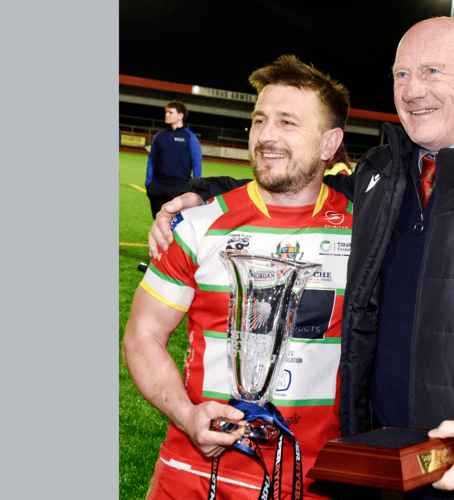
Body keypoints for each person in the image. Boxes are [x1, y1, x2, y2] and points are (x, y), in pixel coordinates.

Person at [150, 17, 454, 500]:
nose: (412, 89)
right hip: (388, 473)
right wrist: (203, 193)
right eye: (401, 74)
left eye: (431, 72)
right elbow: (298, 182)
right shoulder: (384, 174)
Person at [123, 55, 353, 500]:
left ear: (330, 144)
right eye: (259, 120)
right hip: (192, 473)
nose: (265, 136)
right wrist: (188, 417)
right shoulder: (198, 224)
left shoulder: (365, 234)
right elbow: (142, 333)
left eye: (287, 123)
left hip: (312, 481)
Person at [145, 100, 203, 219]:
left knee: (176, 225)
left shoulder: (190, 137)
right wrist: (149, 184)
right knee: (157, 222)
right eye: (166, 112)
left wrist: (194, 188)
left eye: (170, 112)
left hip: (179, 189)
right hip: (157, 188)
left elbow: (197, 164)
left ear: (180, 115)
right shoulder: (159, 136)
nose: (166, 115)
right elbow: (151, 160)